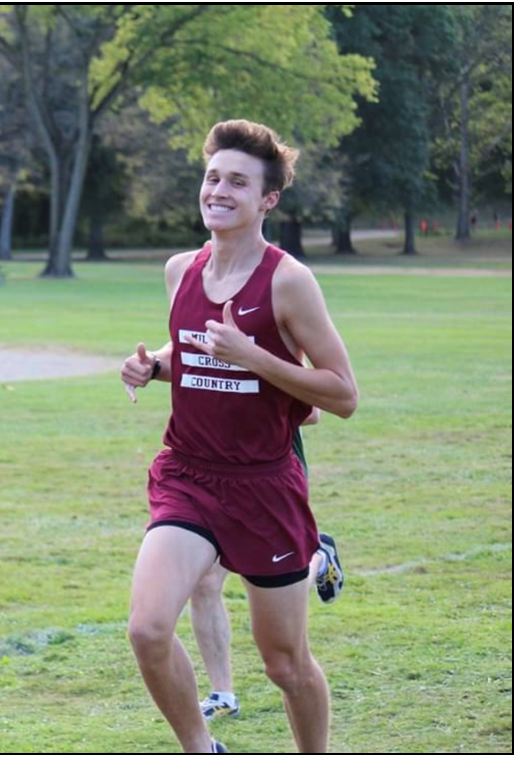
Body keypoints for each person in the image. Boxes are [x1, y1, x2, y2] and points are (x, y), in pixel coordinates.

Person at [122, 120, 358, 753]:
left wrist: (256, 358)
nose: (218, 191)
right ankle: (204, 748)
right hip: (188, 475)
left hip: (265, 487)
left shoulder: (288, 281)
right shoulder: (180, 270)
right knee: (147, 630)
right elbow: (197, 352)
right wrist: (155, 366)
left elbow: (342, 394)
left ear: (267, 200)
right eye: (212, 177)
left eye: (237, 182)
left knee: (285, 665)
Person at [192, 418, 346, 724]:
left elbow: (311, 411)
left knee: (271, 595)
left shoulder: (271, 364)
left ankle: (317, 558)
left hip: (269, 480)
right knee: (204, 582)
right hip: (211, 474)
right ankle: (222, 695)